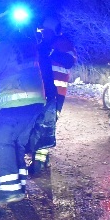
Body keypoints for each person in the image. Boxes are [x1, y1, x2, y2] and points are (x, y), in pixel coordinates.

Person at [0, 24, 46, 205]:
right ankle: (19, 185)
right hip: (35, 103)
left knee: (1, 142)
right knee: (17, 144)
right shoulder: (26, 44)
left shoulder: (5, 47)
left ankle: (9, 190)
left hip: (16, 104)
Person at [28, 19, 77, 174]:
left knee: (47, 123)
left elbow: (69, 61)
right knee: (36, 123)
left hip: (55, 94)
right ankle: (42, 156)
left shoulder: (64, 43)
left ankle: (38, 162)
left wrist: (51, 52)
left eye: (46, 32)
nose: (43, 34)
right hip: (39, 91)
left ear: (54, 31)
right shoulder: (41, 45)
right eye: (42, 32)